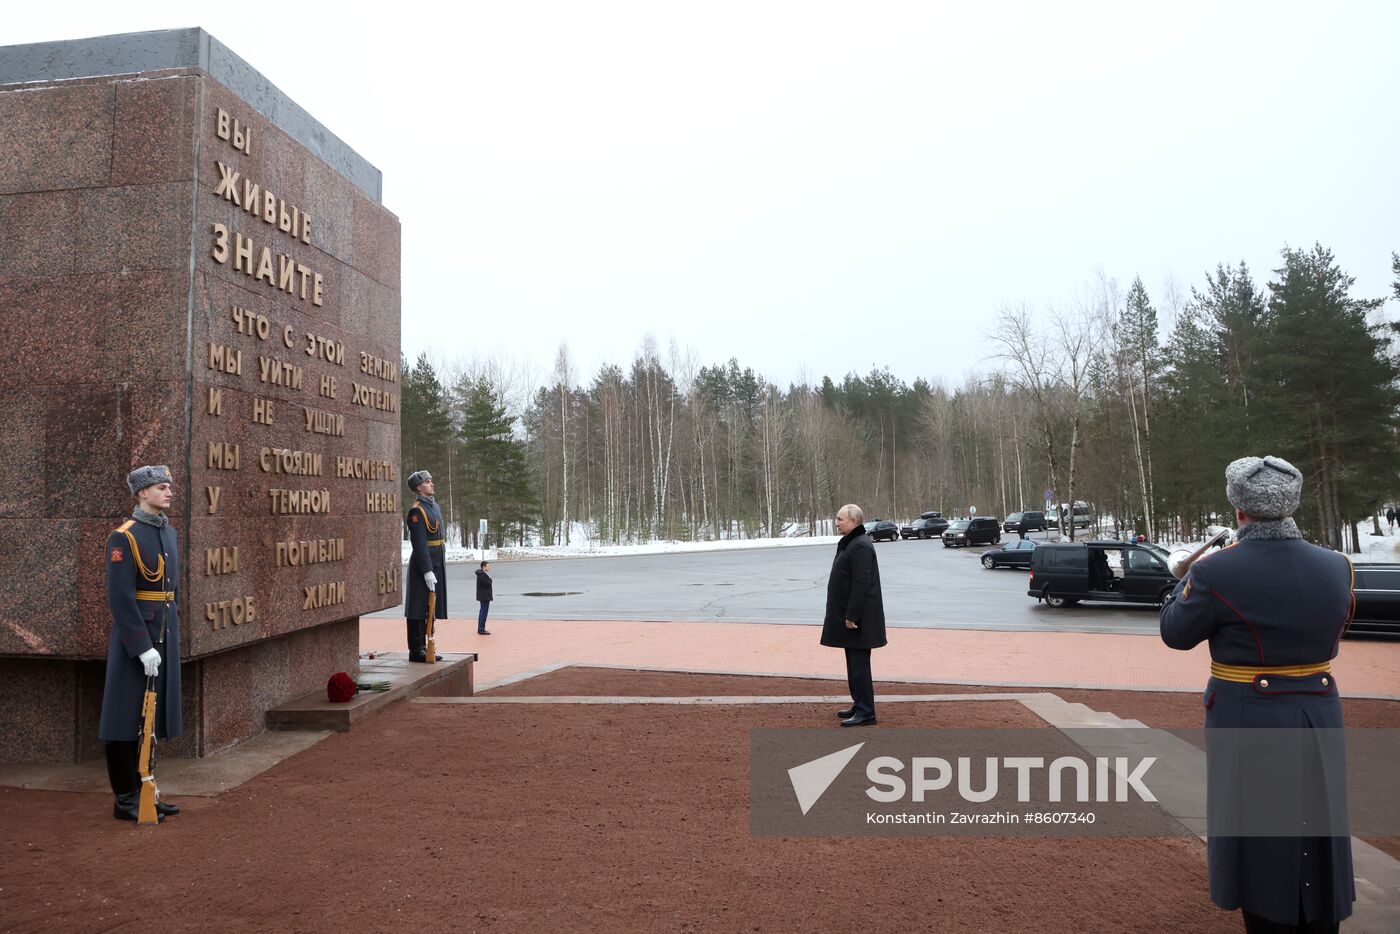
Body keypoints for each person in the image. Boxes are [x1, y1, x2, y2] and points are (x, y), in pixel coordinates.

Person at [1161, 455, 1354, 933]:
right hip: (1319, 710)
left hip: (1248, 714)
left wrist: (1188, 578)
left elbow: (1175, 633)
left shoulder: (1216, 573)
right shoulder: (1337, 565)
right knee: (1320, 818)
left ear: (1239, 511)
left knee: (1258, 834)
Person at [100, 465, 182, 822]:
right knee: (123, 717)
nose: (168, 492)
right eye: (161, 487)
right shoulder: (125, 537)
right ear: (142, 493)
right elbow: (120, 597)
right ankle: (125, 796)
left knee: (148, 718)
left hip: (164, 633)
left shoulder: (169, 533)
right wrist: (140, 646)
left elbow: (169, 589)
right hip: (137, 639)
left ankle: (146, 786)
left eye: (169, 487)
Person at [822, 503, 887, 727]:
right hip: (853, 618)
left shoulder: (859, 545)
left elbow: (861, 583)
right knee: (854, 664)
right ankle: (859, 704)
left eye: (840, 518)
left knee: (859, 666)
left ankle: (866, 712)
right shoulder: (853, 542)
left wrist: (852, 616)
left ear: (854, 521)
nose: (837, 522)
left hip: (859, 620)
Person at [404, 470, 446, 662]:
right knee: (417, 607)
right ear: (419, 487)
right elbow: (419, 544)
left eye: (431, 480)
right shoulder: (417, 511)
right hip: (423, 565)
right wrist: (427, 570)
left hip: (436, 561)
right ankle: (416, 649)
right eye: (428, 482)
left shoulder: (434, 506)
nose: (432, 484)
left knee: (430, 606)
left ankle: (426, 645)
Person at [475, 561, 493, 635]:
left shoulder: (481, 574)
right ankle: (481, 629)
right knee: (483, 612)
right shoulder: (482, 575)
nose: (489, 567)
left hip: (483, 596)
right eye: (487, 566)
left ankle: (481, 628)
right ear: (483, 567)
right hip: (484, 597)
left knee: (482, 611)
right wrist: (490, 580)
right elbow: (487, 583)